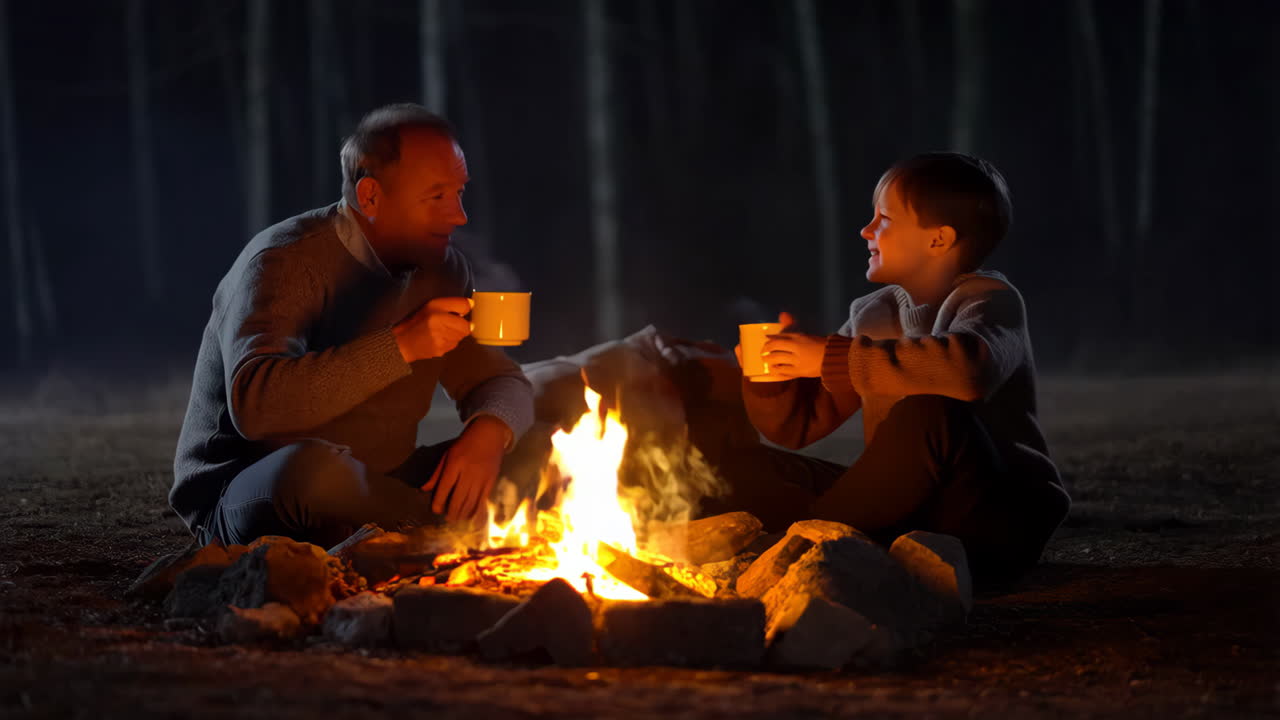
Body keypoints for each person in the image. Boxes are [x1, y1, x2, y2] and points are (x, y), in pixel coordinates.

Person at [171, 104, 533, 548]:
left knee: (535, 445)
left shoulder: (441, 269)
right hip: (252, 491)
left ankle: (408, 531)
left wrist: (488, 435)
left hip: (377, 481)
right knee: (312, 474)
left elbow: (499, 379)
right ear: (371, 197)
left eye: (459, 193)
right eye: (436, 196)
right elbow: (256, 406)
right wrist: (401, 346)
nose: (459, 215)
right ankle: (436, 533)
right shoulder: (285, 261)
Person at [734, 152, 1070, 582]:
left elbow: (967, 372)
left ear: (938, 240)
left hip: (991, 517)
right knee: (747, 465)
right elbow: (799, 427)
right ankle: (798, 536)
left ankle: (792, 549)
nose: (866, 230)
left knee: (928, 411)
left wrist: (829, 357)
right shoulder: (873, 313)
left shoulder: (990, 300)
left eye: (884, 219)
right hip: (915, 508)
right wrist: (771, 377)